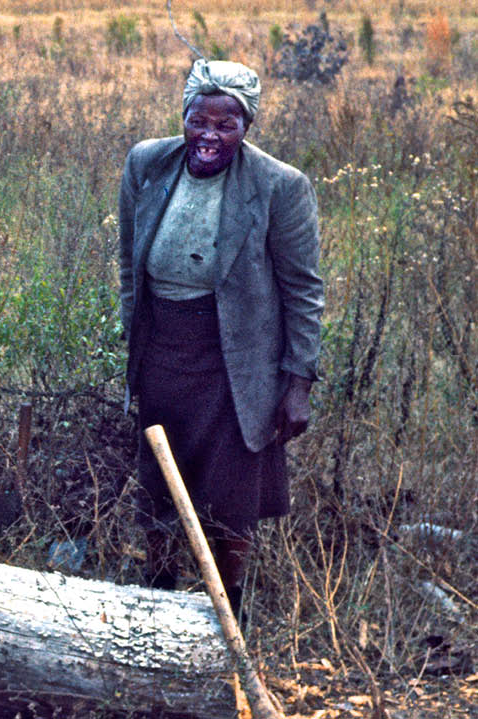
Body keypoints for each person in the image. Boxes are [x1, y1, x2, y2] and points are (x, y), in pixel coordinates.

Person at [118, 60, 323, 617]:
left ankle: (227, 613)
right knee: (160, 486)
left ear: (246, 127)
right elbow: (129, 264)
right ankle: (157, 601)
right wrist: (133, 344)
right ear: (183, 117)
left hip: (237, 365)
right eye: (198, 121)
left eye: (226, 125)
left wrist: (297, 383)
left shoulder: (280, 186)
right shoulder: (146, 163)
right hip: (163, 353)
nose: (209, 136)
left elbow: (304, 290)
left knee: (230, 498)